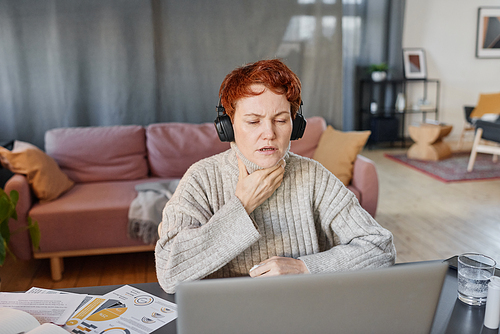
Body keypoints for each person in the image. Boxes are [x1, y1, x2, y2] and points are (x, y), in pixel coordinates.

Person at [155, 59, 395, 293]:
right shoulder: (202, 178)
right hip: (228, 315)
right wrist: (241, 205)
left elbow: (381, 247)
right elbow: (169, 273)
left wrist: (305, 268)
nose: (268, 133)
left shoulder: (313, 176)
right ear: (228, 126)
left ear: (295, 125)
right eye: (253, 121)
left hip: (303, 309)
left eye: (280, 120)